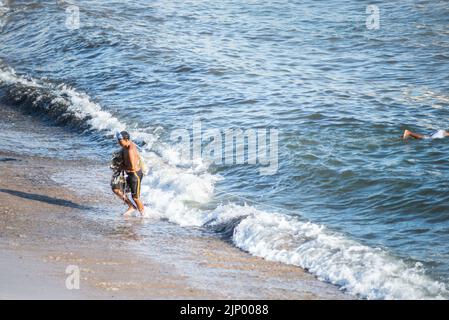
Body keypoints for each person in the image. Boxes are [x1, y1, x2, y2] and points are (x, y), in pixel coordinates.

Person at [115, 131, 145, 216]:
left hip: (135, 175)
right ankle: (131, 207)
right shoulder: (125, 146)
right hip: (129, 174)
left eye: (120, 142)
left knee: (135, 197)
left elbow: (132, 167)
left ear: (127, 140)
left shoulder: (130, 150)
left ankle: (144, 215)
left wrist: (121, 167)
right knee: (116, 189)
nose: (119, 143)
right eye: (118, 141)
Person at [110, 150, 137, 214]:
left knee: (117, 189)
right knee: (116, 189)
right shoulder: (126, 148)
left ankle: (134, 207)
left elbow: (132, 165)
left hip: (128, 172)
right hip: (123, 170)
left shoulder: (130, 148)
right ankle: (132, 206)